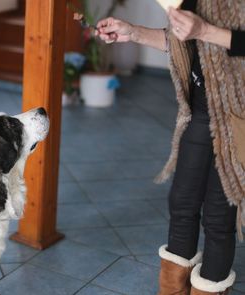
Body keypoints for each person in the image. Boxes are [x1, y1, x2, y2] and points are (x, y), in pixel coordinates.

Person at [94, 1, 244, 294]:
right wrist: (132, 32)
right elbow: (180, 40)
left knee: (218, 216)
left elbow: (205, 33)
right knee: (182, 203)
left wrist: (205, 29)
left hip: (240, 118)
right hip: (202, 110)